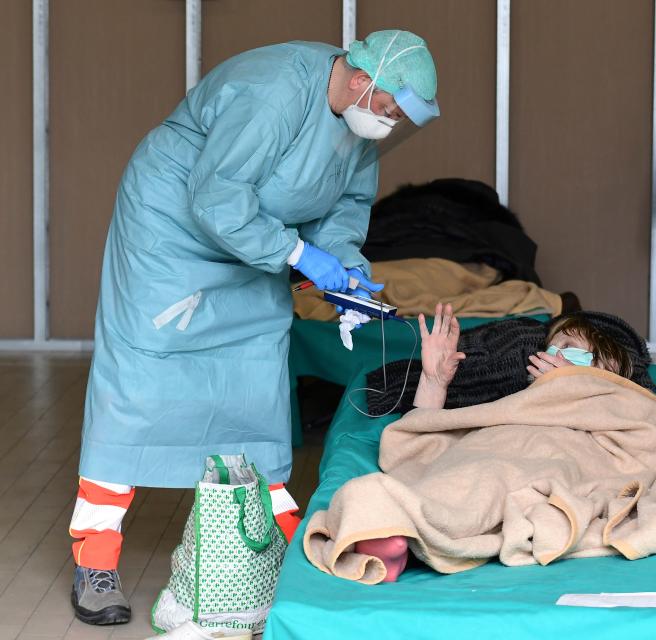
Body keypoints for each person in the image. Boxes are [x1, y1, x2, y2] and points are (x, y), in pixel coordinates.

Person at [69, 31, 439, 625]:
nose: (390, 123)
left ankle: (287, 546)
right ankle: (96, 558)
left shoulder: (359, 118)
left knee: (257, 380)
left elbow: (347, 207)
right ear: (361, 80)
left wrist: (341, 266)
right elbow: (217, 197)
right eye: (390, 109)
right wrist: (297, 254)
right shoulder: (275, 92)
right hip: (173, 234)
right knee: (138, 387)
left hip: (261, 244)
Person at [357, 303, 635, 582]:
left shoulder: (616, 410)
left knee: (494, 477)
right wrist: (434, 381)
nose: (551, 354)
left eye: (567, 345)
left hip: (540, 469)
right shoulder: (509, 408)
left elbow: (646, 448)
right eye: (550, 347)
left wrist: (572, 385)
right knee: (464, 473)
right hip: (487, 460)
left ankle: (405, 527)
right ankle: (400, 526)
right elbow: (425, 442)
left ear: (606, 368)